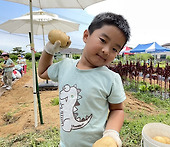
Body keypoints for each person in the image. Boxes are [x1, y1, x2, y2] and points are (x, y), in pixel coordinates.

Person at [38, 12, 130, 147]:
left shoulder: (111, 79)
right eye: (103, 40)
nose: (106, 50)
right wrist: (48, 51)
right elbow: (43, 72)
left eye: (115, 49)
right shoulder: (65, 66)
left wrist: (111, 134)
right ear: (86, 36)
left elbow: (117, 110)